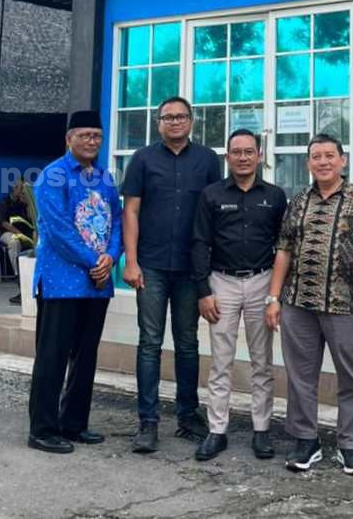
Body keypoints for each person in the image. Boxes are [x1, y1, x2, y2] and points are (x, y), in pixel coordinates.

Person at [264, 134, 353, 476]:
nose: (323, 162)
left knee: (352, 378)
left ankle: (351, 445)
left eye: (329, 155)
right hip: (298, 304)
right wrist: (273, 298)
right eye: (316, 156)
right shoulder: (298, 202)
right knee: (300, 377)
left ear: (342, 160)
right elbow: (284, 250)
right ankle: (306, 440)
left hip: (347, 306)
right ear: (308, 163)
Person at [122, 96, 222, 453]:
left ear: (191, 121)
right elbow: (130, 212)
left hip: (190, 268)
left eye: (181, 116)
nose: (175, 122)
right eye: (168, 117)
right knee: (150, 342)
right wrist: (131, 261)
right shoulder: (142, 159)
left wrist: (210, 268)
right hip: (150, 265)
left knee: (188, 342)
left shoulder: (207, 160)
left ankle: (187, 415)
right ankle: (147, 422)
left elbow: (214, 213)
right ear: (158, 123)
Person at [27, 110, 122, 454]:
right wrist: (94, 261)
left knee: (85, 357)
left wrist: (111, 256)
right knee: (52, 357)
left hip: (96, 284)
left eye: (97, 136)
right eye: (84, 135)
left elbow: (117, 222)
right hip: (60, 281)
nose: (91, 141)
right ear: (69, 139)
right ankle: (42, 429)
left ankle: (74, 423)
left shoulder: (104, 178)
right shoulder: (52, 176)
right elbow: (58, 230)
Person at [190, 129, 287, 461]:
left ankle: (262, 430)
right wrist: (203, 291)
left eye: (249, 151)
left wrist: (276, 295)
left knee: (262, 361)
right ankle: (217, 430)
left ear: (259, 155)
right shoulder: (211, 195)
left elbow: (284, 247)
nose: (243, 157)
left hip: (262, 282)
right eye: (236, 152)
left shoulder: (275, 196)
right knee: (221, 362)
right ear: (227, 156)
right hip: (222, 282)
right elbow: (199, 242)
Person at [0, 178, 33, 305]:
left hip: (24, 233)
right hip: (6, 233)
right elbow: (4, 223)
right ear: (14, 188)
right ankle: (18, 276)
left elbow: (31, 219)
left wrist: (27, 203)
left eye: (24, 189)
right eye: (21, 188)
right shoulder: (5, 202)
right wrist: (19, 234)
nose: (22, 191)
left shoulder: (24, 203)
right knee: (14, 242)